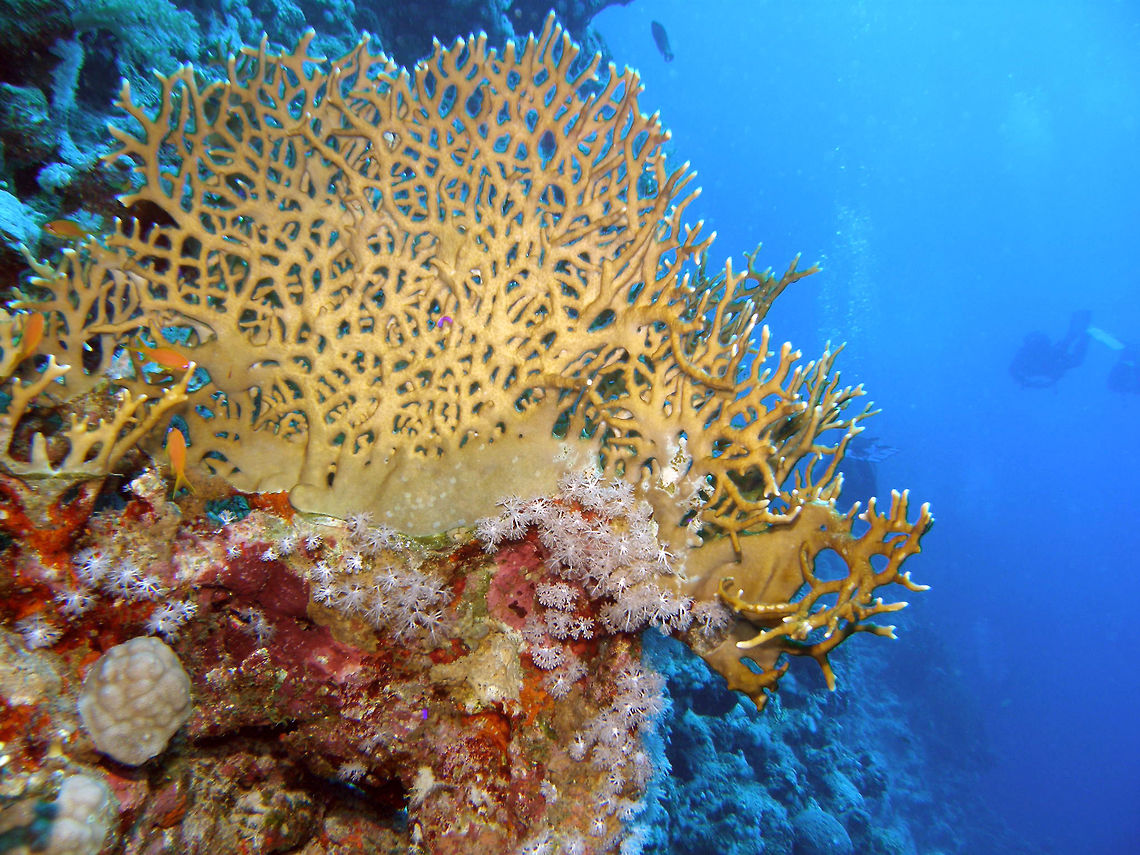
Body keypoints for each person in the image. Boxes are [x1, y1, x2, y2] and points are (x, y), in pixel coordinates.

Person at [1009, 310, 1091, 387]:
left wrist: (1026, 382)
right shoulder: (1027, 355)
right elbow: (1013, 369)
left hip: (1049, 363)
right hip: (1050, 363)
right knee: (1068, 346)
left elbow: (1013, 369)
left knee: (1068, 345)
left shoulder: (1025, 355)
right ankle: (1082, 328)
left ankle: (1081, 329)